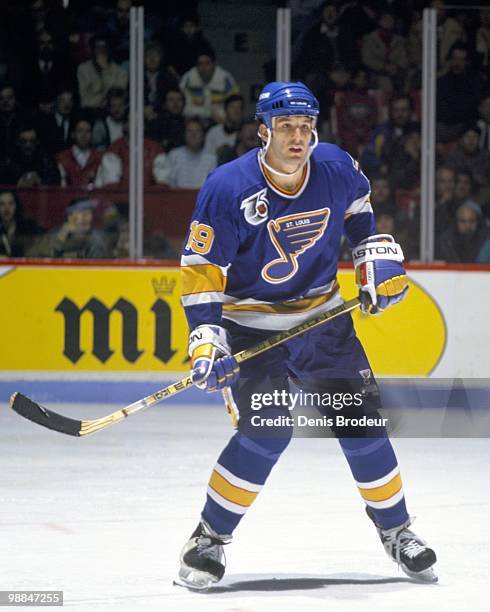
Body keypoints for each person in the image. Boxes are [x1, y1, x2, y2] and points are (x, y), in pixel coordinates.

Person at [176, 81, 437, 590]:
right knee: (269, 429)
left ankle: (398, 532)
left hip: (322, 320)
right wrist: (207, 337)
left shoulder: (336, 166)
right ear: (263, 130)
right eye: (287, 127)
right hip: (250, 327)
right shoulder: (228, 188)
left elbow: (359, 210)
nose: (298, 137)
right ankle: (207, 539)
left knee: (360, 423)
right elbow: (203, 268)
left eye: (305, 127)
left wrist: (370, 254)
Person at [27, 196, 108, 258]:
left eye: (89, 213)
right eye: (81, 212)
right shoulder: (55, 233)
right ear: (69, 216)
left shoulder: (97, 238)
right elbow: (32, 256)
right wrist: (61, 235)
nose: (86, 217)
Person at [179, 48, 239, 125]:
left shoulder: (225, 79)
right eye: (200, 64)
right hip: (194, 123)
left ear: (214, 64)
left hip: (220, 122)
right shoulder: (188, 79)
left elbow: (235, 105)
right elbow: (183, 109)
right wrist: (209, 113)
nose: (203, 68)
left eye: (207, 63)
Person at [159, 117, 216, 188]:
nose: (193, 135)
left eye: (197, 131)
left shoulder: (211, 158)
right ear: (184, 134)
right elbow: (168, 183)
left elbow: (212, 186)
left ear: (203, 135)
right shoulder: (174, 155)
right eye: (189, 131)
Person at [77, 35, 128, 112]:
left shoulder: (121, 73)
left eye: (104, 48)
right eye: (98, 48)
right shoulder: (83, 69)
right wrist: (104, 98)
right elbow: (84, 101)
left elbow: (114, 102)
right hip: (89, 112)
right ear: (92, 50)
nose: (102, 51)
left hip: (112, 113)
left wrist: (105, 70)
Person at [56, 118, 102, 188]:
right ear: (73, 134)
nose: (84, 135)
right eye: (80, 131)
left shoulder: (99, 157)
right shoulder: (62, 157)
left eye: (88, 131)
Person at [0, 189, 44, 256]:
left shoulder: (28, 227)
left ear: (16, 206)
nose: (7, 208)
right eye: (2, 204)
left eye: (10, 203)